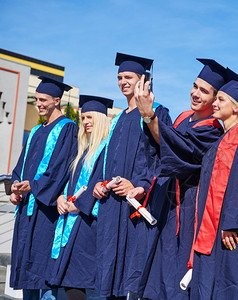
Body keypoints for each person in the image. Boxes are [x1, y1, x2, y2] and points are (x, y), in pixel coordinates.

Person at [134, 59, 226, 299]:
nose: (195, 93)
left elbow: (179, 148)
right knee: (158, 275)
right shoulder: (184, 116)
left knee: (177, 279)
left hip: (189, 208)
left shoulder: (213, 129)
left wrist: (148, 114)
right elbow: (161, 145)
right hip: (168, 204)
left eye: (203, 91)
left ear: (215, 99)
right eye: (195, 86)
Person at [92, 53, 171, 299]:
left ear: (143, 80)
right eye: (119, 77)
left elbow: (164, 157)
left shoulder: (158, 113)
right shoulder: (117, 119)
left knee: (133, 278)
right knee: (110, 278)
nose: (123, 81)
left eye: (129, 77)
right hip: (111, 207)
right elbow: (106, 160)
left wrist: (141, 185)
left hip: (137, 206)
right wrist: (98, 183)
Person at [187, 67, 238, 299]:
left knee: (227, 286)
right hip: (212, 224)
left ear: (236, 107)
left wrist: (232, 222)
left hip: (230, 228)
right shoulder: (222, 137)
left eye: (221, 99)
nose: (215, 103)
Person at [9, 76, 78, 300]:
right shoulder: (37, 131)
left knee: (44, 269)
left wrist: (34, 186)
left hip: (46, 211)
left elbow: (60, 169)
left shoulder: (68, 129)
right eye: (36, 99)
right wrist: (16, 189)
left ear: (57, 100)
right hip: (27, 209)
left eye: (43, 100)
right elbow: (21, 165)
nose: (38, 104)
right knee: (27, 270)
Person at [48, 95, 113, 300]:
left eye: (90, 117)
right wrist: (60, 197)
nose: (85, 122)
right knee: (70, 280)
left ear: (101, 119)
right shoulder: (82, 151)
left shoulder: (107, 150)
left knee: (78, 279)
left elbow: (101, 182)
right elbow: (71, 183)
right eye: (83, 118)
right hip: (73, 220)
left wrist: (80, 205)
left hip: (88, 223)